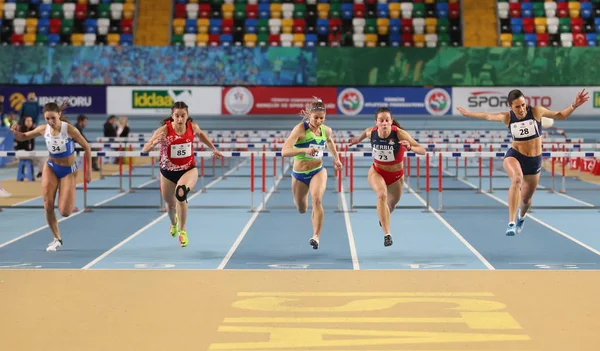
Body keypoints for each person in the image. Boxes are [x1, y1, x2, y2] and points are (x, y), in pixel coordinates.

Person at [457, 88, 589, 236]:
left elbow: (561, 115)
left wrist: (574, 105)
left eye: (523, 105)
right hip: (515, 155)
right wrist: (468, 113)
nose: (521, 109)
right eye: (517, 107)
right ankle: (511, 223)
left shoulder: (537, 111)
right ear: (510, 107)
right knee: (517, 179)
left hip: (534, 161)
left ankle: (521, 216)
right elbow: (487, 116)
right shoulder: (508, 117)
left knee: (526, 200)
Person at [11, 101, 92, 251]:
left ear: (59, 115)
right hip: (51, 167)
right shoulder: (43, 129)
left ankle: (68, 195)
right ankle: (57, 239)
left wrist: (88, 171)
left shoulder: (70, 130)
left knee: (65, 212)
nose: (50, 122)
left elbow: (87, 146)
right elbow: (23, 137)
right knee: (48, 205)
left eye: (53, 118)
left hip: (68, 171)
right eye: (47, 118)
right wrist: (16, 133)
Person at [142, 101, 223, 247]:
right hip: (168, 173)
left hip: (188, 170)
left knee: (181, 194)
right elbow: (144, 149)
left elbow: (202, 135)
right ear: (172, 116)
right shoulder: (164, 130)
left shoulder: (192, 127)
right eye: (177, 116)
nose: (180, 119)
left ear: (187, 116)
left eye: (183, 116)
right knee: (170, 204)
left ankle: (182, 230)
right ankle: (173, 223)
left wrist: (213, 148)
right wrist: (154, 142)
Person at [348, 107, 426, 247]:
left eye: (387, 120)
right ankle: (387, 234)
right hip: (377, 172)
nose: (384, 123)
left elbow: (422, 150)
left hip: (396, 176)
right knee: (381, 195)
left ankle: (384, 215)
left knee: (391, 205)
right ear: (376, 122)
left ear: (391, 122)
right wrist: (356, 140)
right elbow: (365, 134)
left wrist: (410, 148)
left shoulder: (400, 134)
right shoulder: (371, 132)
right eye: (381, 120)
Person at [281, 97, 343, 250]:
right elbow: (284, 151)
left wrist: (336, 158)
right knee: (302, 208)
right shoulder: (300, 129)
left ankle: (316, 236)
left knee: (317, 200)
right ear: (309, 115)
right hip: (299, 174)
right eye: (316, 118)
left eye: (322, 118)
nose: (319, 121)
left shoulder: (326, 130)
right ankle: (304, 206)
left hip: (318, 170)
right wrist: (304, 149)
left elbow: (329, 141)